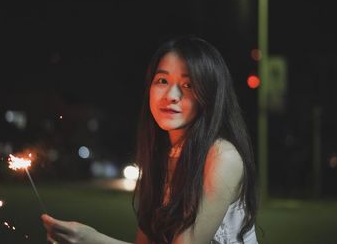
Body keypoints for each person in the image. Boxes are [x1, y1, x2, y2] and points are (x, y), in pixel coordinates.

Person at [42, 35, 259, 244]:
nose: (171, 95)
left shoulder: (222, 157)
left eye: (188, 85)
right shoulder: (160, 156)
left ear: (209, 94)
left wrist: (92, 240)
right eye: (162, 80)